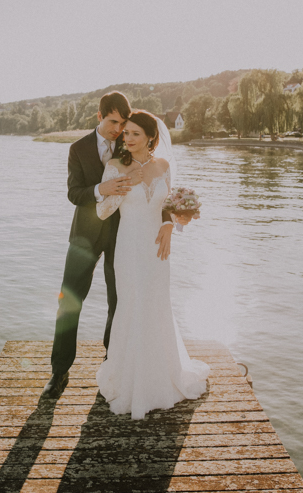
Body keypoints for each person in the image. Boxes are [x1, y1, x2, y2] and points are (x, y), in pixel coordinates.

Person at [42, 92, 174, 398]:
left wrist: (168, 221)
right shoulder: (78, 148)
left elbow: (158, 192)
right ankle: (59, 372)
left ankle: (112, 363)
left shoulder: (131, 141)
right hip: (85, 236)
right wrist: (102, 188)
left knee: (120, 301)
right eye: (113, 122)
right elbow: (74, 193)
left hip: (123, 235)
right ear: (100, 116)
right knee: (69, 301)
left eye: (123, 124)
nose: (119, 130)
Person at [95, 110, 209, 420]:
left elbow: (166, 206)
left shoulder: (163, 166)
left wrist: (171, 224)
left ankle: (162, 376)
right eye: (126, 133)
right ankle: (130, 380)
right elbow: (103, 212)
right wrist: (122, 185)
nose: (128, 138)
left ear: (150, 137)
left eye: (135, 133)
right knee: (132, 303)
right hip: (129, 246)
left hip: (158, 246)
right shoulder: (115, 166)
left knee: (157, 303)